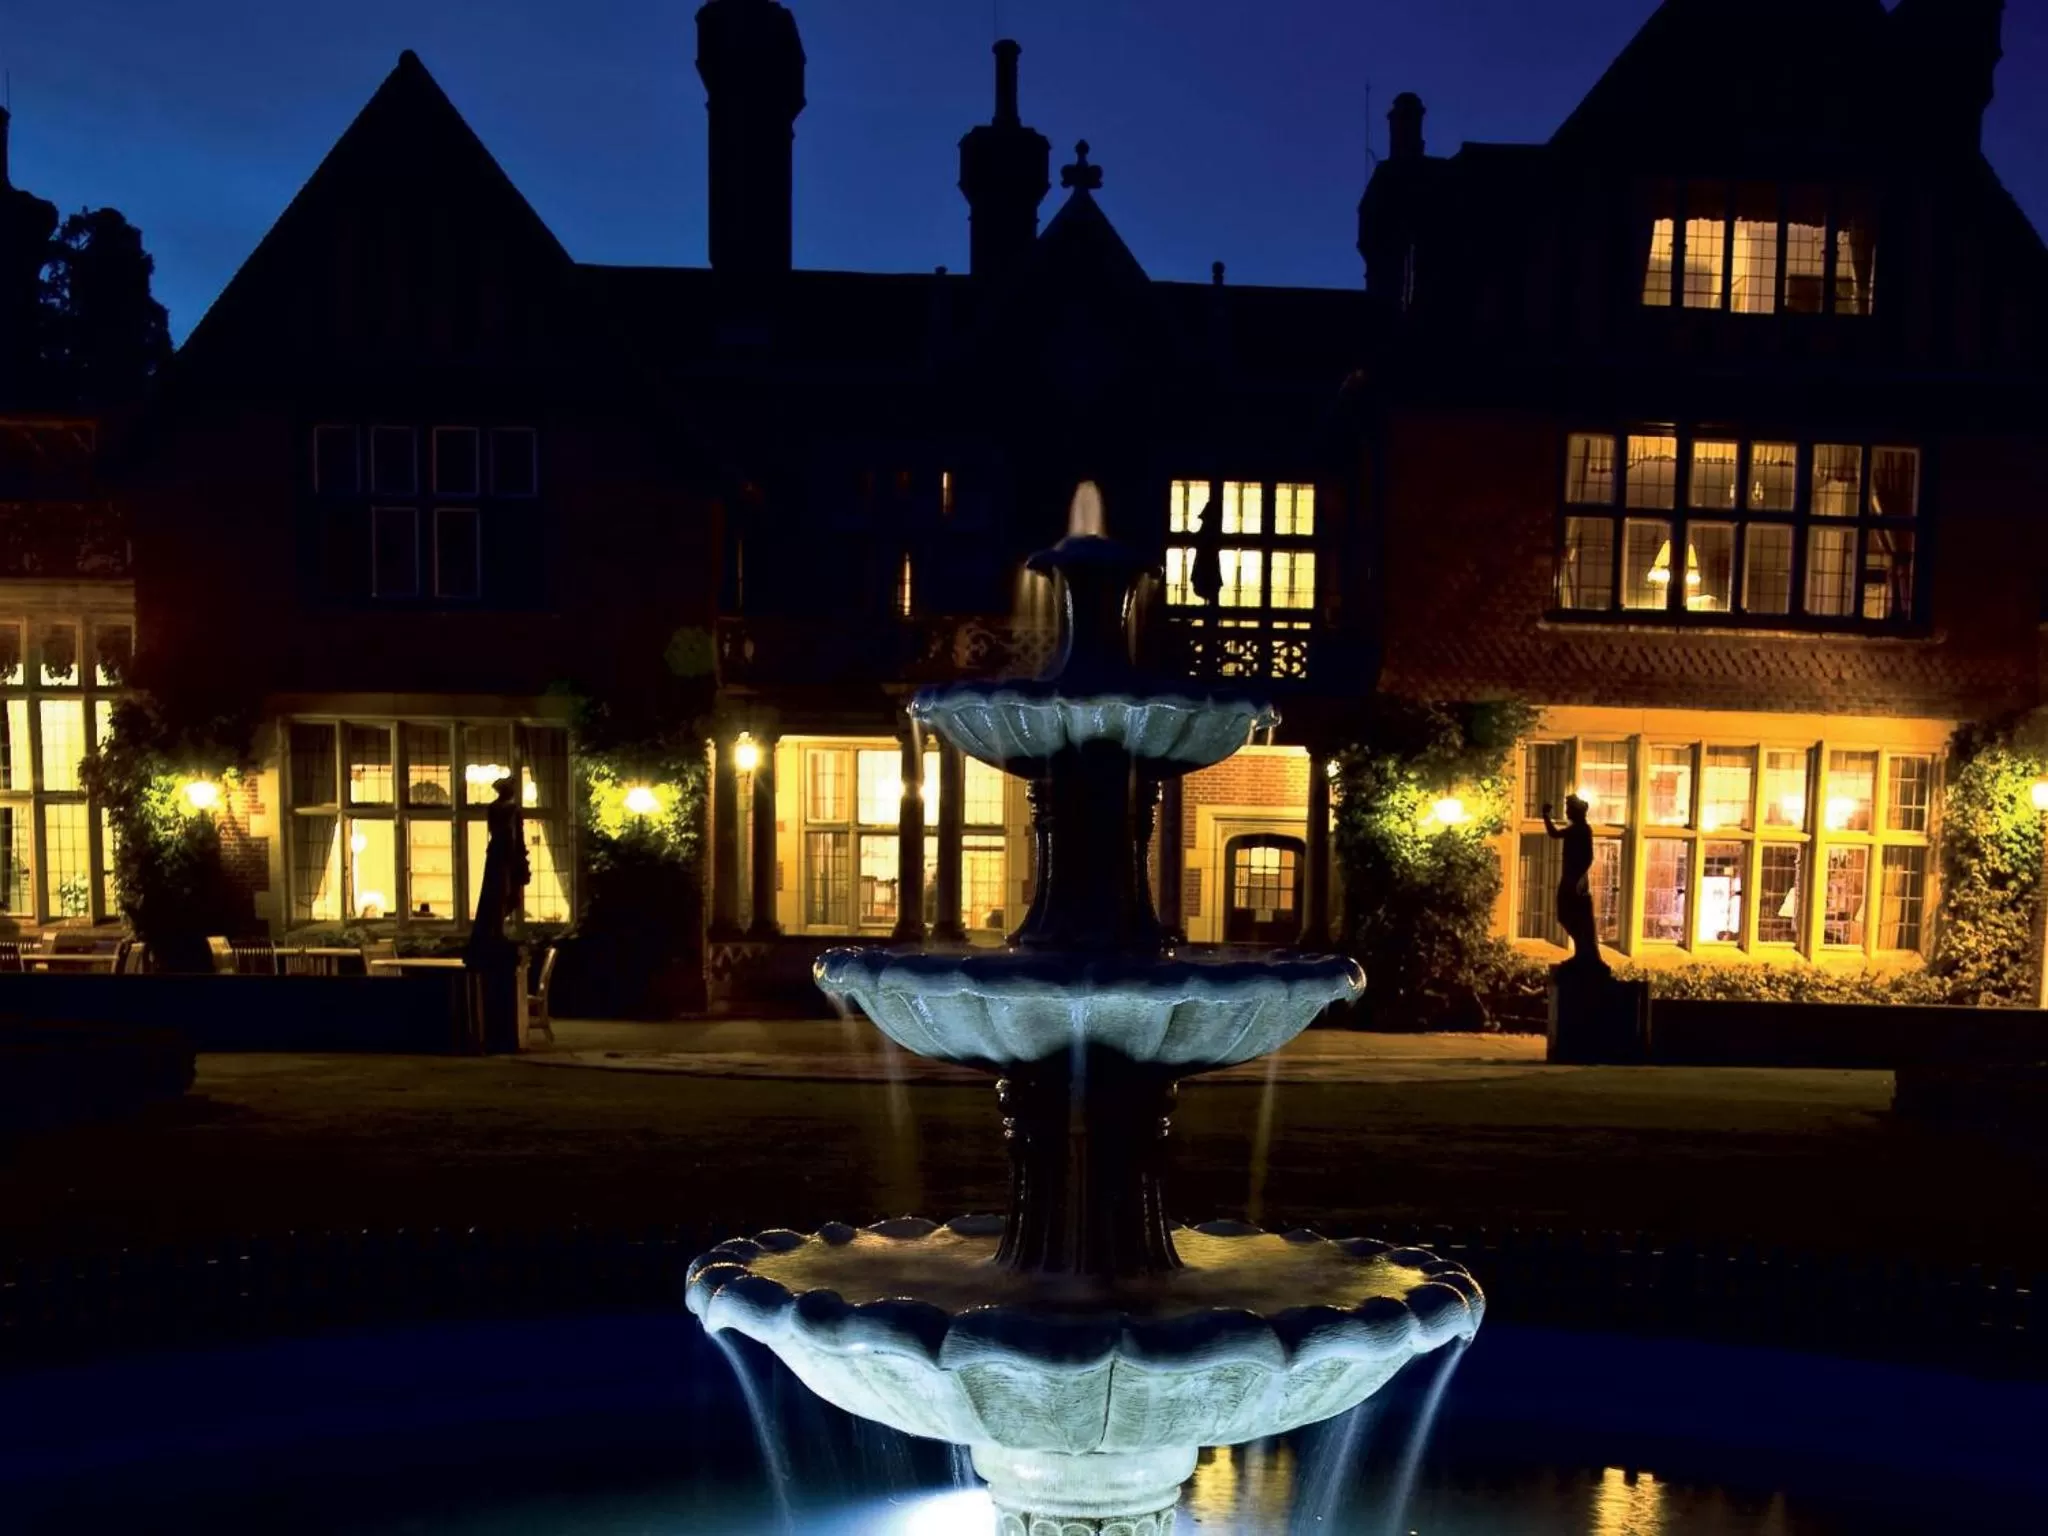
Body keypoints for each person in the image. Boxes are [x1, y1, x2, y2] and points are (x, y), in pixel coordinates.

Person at [466, 774, 530, 956]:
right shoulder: (512, 809)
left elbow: (497, 831)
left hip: (497, 854)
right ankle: (498, 932)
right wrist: (519, 857)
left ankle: (496, 930)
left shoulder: (493, 808)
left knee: (496, 893)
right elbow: (517, 835)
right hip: (506, 855)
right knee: (503, 892)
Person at [1542, 795, 1607, 972]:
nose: (1567, 811)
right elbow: (1555, 834)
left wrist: (1578, 878)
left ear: (1576, 811)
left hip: (1575, 880)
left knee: (1572, 916)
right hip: (1570, 878)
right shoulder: (1575, 829)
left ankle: (1584, 952)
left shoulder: (1583, 830)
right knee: (1566, 915)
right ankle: (1582, 951)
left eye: (1569, 808)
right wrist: (1546, 817)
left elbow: (1588, 857)